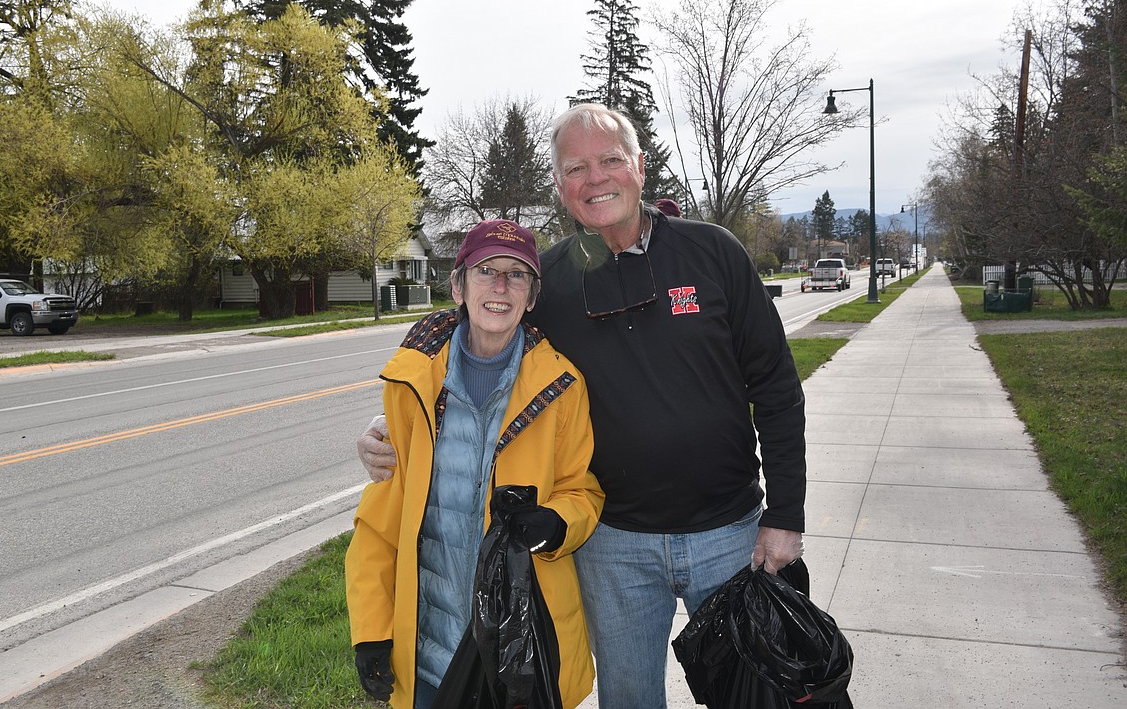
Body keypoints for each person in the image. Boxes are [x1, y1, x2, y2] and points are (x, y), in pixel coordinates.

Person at [357, 104, 806, 709]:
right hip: (614, 545)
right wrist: (392, 428)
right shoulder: (555, 280)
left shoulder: (713, 254)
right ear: (560, 186)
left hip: (729, 533)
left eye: (611, 160)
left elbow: (777, 387)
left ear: (640, 168)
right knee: (627, 700)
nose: (596, 179)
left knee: (753, 698)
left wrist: (786, 514)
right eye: (577, 168)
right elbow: (483, 338)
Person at [345, 218, 604, 709]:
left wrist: (554, 523)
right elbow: (381, 520)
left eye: (517, 274)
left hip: (521, 651)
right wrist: (372, 630)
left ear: (531, 297)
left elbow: (582, 490)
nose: (500, 286)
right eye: (486, 270)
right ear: (458, 285)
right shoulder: (413, 385)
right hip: (430, 654)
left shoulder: (562, 387)